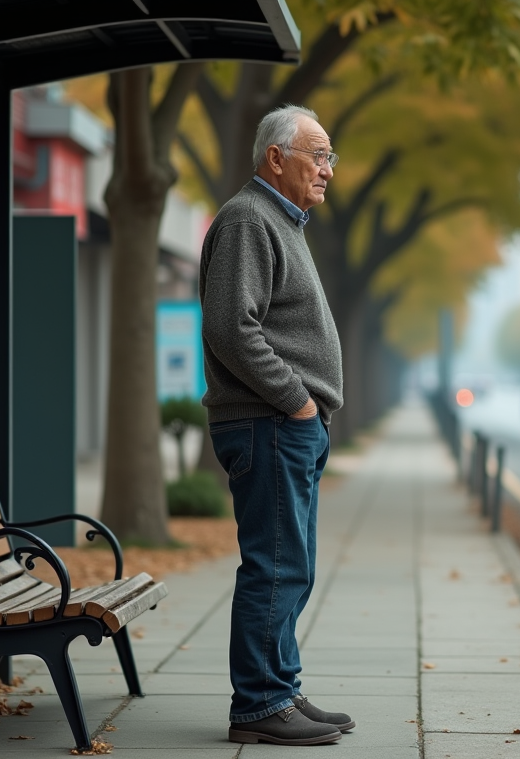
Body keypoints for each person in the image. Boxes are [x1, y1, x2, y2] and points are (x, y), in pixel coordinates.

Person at [199, 104, 351, 746]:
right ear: (275, 158)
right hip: (269, 423)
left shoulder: (282, 222)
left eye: (330, 157)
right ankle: (260, 704)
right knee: (276, 565)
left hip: (285, 425)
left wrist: (305, 413)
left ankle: (279, 687)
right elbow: (232, 327)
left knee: (294, 565)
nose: (326, 168)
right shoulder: (247, 219)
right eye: (317, 154)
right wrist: (297, 401)